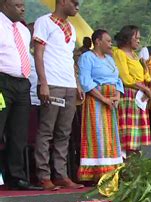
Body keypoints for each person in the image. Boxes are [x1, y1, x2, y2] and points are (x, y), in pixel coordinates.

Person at [34, 0, 84, 190]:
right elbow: (38, 53)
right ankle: (44, 175)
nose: (77, 7)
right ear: (62, 1)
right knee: (47, 130)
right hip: (52, 83)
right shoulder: (43, 21)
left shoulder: (71, 26)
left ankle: (61, 175)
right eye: (74, 2)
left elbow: (69, 58)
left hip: (69, 85)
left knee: (64, 132)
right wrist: (43, 83)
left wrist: (77, 83)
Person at [0, 0, 43, 190]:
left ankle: (16, 177)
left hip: (22, 83)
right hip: (2, 81)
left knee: (19, 133)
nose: (23, 8)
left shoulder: (24, 31)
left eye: (23, 4)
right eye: (17, 5)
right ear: (4, 5)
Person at [77, 29, 123, 181]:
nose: (111, 44)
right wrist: (103, 98)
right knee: (97, 134)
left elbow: (118, 79)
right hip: (95, 100)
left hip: (111, 101)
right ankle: (95, 172)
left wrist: (117, 94)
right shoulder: (87, 57)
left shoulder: (110, 59)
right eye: (108, 41)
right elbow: (85, 81)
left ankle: (112, 171)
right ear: (98, 41)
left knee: (111, 136)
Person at [112, 25, 151, 156]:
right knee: (130, 130)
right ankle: (126, 160)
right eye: (137, 38)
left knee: (139, 131)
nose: (139, 41)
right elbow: (124, 77)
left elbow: (146, 77)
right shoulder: (119, 53)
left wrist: (145, 68)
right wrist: (144, 88)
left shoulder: (135, 56)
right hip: (129, 94)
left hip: (140, 96)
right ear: (128, 38)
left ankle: (137, 161)